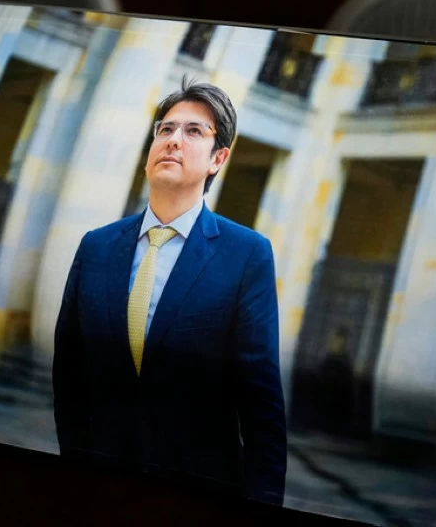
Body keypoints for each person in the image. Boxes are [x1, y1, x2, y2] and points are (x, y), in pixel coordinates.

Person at [53, 80, 287, 505]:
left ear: (219, 159)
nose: (173, 141)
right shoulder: (96, 246)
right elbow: (68, 375)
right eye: (165, 129)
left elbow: (262, 405)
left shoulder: (247, 255)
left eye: (193, 131)